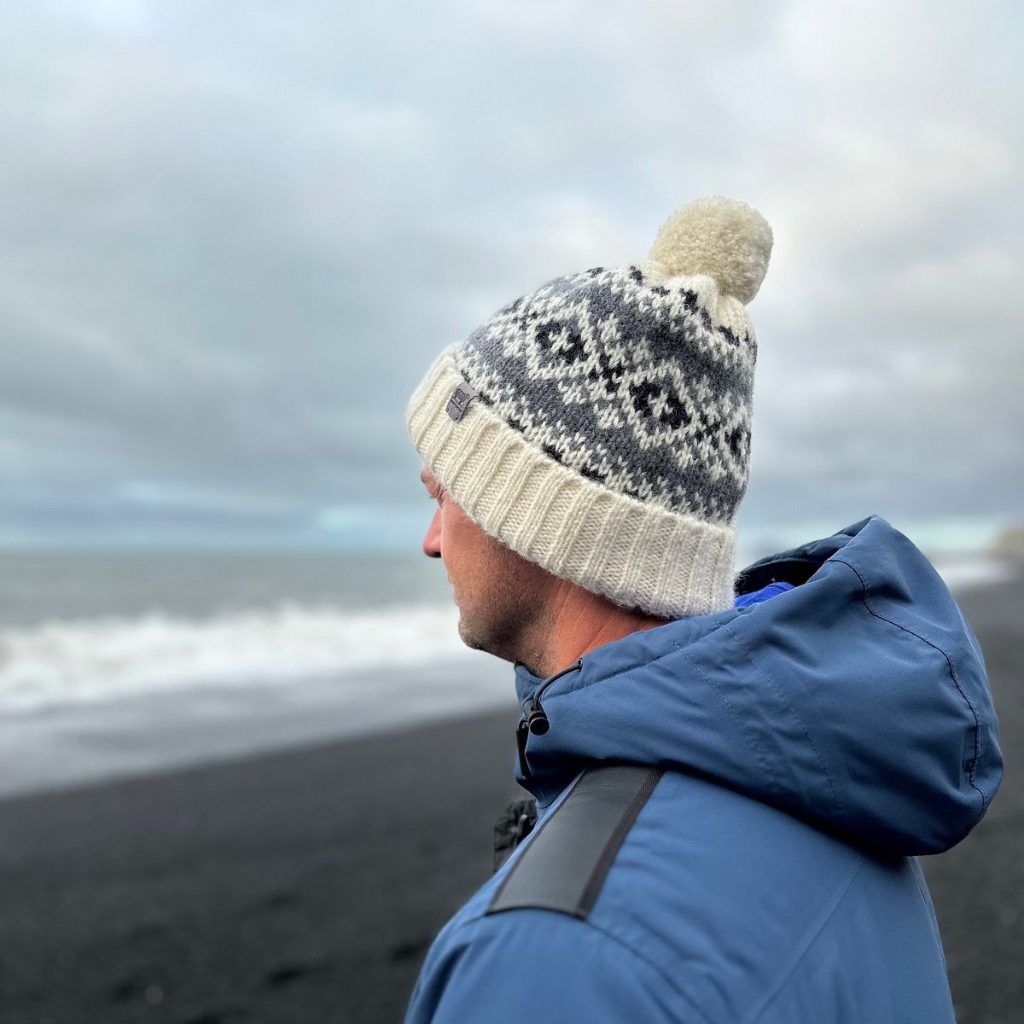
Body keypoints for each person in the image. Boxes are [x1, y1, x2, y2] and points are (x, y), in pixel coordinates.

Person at [402, 197, 1002, 1023]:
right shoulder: (834, 778)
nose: (433, 540)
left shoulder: (553, 953)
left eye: (444, 495)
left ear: (538, 516)